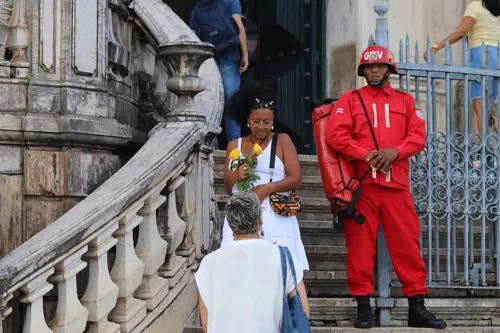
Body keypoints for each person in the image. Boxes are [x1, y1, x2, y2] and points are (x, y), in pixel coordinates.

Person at [325, 45, 447, 329]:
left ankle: (417, 308)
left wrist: (394, 152)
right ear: (363, 71)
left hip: (398, 187)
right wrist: (366, 154)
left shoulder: (406, 101)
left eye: (379, 66)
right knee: (360, 250)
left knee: (408, 248)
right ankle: (363, 309)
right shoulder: (351, 100)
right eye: (369, 67)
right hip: (364, 187)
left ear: (389, 69)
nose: (374, 70)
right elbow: (335, 135)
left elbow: (418, 137)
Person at [221, 82, 310, 273]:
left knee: (277, 268)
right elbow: (228, 188)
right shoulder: (233, 145)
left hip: (274, 214)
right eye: (256, 121)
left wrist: (267, 188)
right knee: (240, 268)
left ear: (273, 120)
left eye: (267, 122)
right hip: (241, 212)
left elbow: (296, 178)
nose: (261, 127)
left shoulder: (282, 140)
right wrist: (236, 176)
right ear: (247, 119)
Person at [195, 191, 310, 333]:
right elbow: (303, 312)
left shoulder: (208, 263)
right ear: (260, 220)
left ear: (231, 224)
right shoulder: (284, 257)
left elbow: (206, 325)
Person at [424, 0, 500, 134]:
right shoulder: (496, 9)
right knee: (490, 110)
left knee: (481, 109)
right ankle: (494, 153)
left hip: (481, 56)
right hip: (497, 57)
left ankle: (485, 153)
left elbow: (460, 32)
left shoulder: (476, 6)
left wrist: (435, 48)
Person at [189, 0, 249, 147]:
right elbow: (239, 27)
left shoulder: (198, 7)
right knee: (232, 101)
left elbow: (192, 35)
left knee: (210, 100)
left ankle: (210, 143)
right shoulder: (232, 2)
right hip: (228, 55)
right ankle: (234, 144)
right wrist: (245, 55)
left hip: (208, 56)